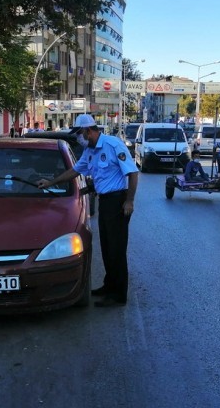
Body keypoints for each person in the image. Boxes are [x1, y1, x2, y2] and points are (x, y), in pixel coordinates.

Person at [37, 114, 138, 308]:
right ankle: (109, 286)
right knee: (107, 249)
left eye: (80, 133)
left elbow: (132, 173)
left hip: (118, 202)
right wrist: (51, 182)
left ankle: (118, 294)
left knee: (117, 250)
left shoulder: (113, 145)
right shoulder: (89, 151)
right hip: (105, 203)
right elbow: (75, 171)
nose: (79, 138)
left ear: (89, 131)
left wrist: (130, 201)